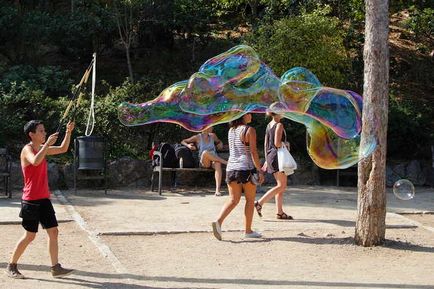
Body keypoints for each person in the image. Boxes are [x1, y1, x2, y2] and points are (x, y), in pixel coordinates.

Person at [5, 120, 75, 279]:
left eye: (44, 131)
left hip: (44, 198)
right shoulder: (27, 150)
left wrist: (69, 132)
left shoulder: (42, 149)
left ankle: (55, 267)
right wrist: (47, 145)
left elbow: (63, 148)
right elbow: (35, 161)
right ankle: (12, 265)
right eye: (41, 131)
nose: (44, 133)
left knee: (53, 232)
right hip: (31, 200)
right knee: (30, 235)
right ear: (32, 134)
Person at [211, 113, 264, 240]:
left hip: (231, 168)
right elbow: (253, 151)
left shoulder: (231, 130)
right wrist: (259, 170)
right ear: (243, 116)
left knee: (233, 200)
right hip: (246, 169)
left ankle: (218, 221)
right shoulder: (249, 130)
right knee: (250, 200)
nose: (251, 115)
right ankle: (248, 231)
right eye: (249, 113)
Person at [254, 112, 293, 220]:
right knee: (281, 186)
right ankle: (259, 203)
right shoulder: (279, 125)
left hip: (272, 156)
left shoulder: (269, 125)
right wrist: (286, 144)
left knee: (280, 186)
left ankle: (279, 213)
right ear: (278, 113)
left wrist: (267, 159)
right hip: (278, 157)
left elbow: (266, 144)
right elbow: (277, 143)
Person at [181, 127, 228, 196]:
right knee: (205, 153)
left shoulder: (213, 136)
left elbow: (219, 142)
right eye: (211, 126)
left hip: (214, 160)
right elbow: (183, 141)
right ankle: (226, 162)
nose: (212, 128)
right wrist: (188, 145)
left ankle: (217, 190)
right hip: (204, 161)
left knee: (217, 164)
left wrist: (220, 143)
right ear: (206, 128)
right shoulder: (197, 137)